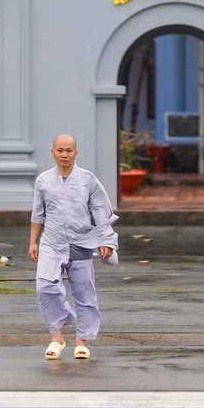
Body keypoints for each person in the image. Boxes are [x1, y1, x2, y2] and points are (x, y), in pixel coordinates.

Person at [28, 133, 119, 361]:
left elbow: (100, 211)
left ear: (76, 153)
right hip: (51, 242)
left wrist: (106, 241)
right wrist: (33, 242)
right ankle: (56, 336)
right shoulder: (43, 180)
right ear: (53, 152)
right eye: (60, 150)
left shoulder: (88, 179)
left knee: (84, 293)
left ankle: (82, 340)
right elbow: (38, 214)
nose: (64, 155)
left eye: (69, 150)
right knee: (44, 287)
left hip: (81, 243)